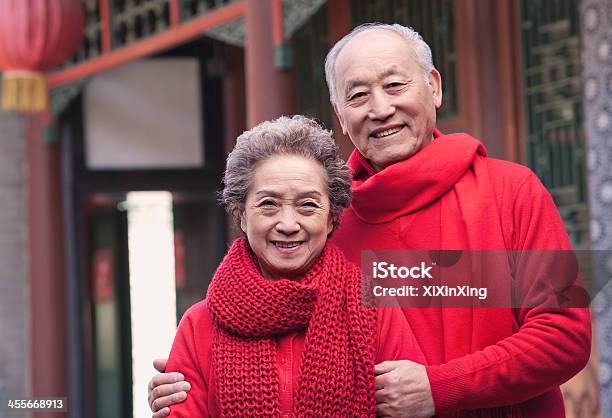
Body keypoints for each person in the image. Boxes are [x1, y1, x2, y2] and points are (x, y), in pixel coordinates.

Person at [149, 23, 591, 417]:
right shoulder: (326, 223)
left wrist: (438, 388)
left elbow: (565, 335)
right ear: (341, 116)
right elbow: (277, 346)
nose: (380, 109)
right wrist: (197, 379)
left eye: (395, 85)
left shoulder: (512, 191)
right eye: (357, 95)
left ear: (433, 87)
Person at [156, 115, 426, 417]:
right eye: (268, 204)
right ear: (242, 215)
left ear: (331, 217)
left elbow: (409, 409)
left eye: (307, 205)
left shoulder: (374, 309)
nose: (287, 224)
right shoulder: (200, 324)